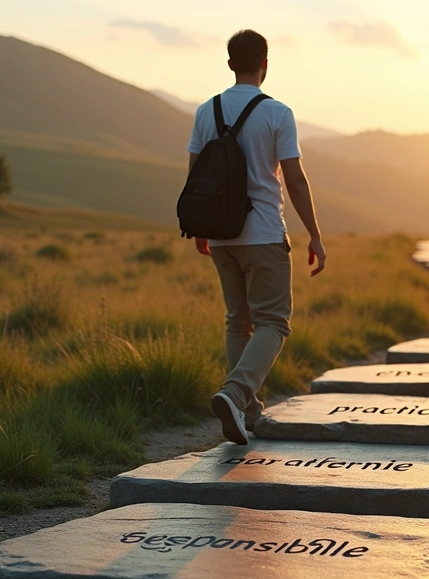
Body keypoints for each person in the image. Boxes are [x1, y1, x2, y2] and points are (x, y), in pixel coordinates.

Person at [188, 29, 326, 445]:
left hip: (221, 234)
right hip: (263, 232)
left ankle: (247, 412)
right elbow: (297, 182)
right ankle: (235, 394)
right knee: (274, 323)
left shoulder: (205, 111)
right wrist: (315, 235)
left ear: (230, 64)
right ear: (265, 64)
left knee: (238, 321)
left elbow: (195, 173)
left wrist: (199, 226)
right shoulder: (277, 113)